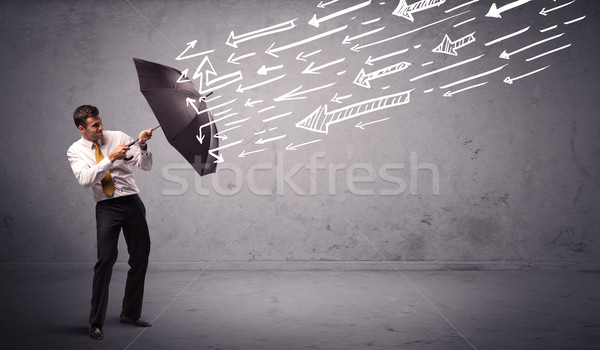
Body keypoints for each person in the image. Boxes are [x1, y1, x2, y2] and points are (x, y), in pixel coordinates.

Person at [67, 105, 154, 340]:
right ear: (81, 128)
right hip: (107, 208)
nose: (101, 128)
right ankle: (95, 323)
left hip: (132, 203)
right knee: (105, 261)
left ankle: (130, 314)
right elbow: (85, 180)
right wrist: (110, 158)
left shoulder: (120, 137)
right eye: (95, 125)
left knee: (140, 257)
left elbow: (145, 166)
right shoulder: (75, 151)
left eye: (101, 122)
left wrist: (143, 145)